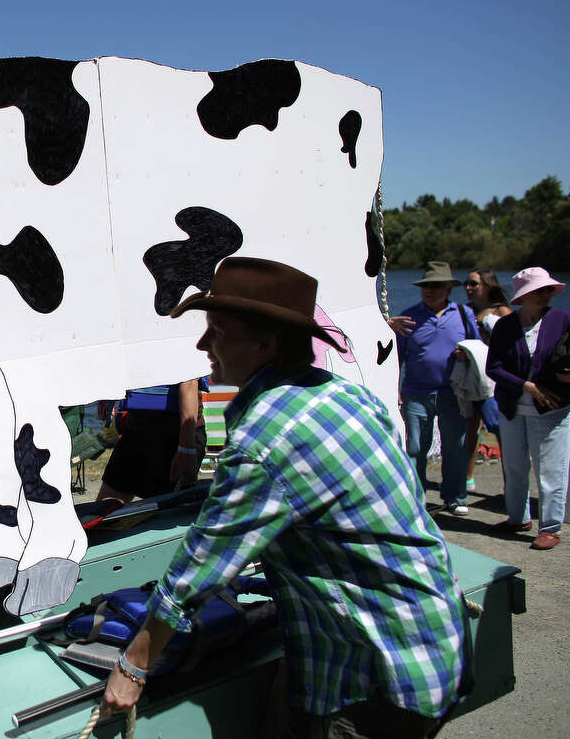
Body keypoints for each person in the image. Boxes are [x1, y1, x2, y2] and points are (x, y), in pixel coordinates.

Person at [100, 257, 467, 737]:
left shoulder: (265, 435)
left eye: (217, 330)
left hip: (375, 669)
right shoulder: (346, 395)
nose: (203, 344)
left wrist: (133, 665)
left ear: (266, 342)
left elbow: (201, 563)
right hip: (430, 636)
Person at [485, 267, 570, 551]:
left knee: (550, 471)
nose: (546, 295)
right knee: (514, 467)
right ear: (525, 296)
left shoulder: (562, 319)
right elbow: (493, 368)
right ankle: (518, 518)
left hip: (551, 409)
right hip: (512, 407)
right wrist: (526, 386)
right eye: (539, 291)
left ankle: (551, 528)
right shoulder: (505, 326)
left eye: (548, 290)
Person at [389, 261, 478, 514]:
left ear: (449, 289)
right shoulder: (408, 317)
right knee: (415, 449)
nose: (430, 291)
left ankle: (456, 498)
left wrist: (467, 354)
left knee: (456, 447)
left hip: (454, 393)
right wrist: (396, 389)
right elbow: (397, 358)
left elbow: (478, 349)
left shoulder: (463, 314)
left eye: (436, 286)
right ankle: (416, 500)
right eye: (426, 286)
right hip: (416, 393)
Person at [95, 380, 206, 504]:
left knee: (166, 513)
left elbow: (190, 381)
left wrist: (186, 449)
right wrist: (109, 395)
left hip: (173, 433)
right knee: (105, 512)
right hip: (136, 426)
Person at [462, 268, 512, 489]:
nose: (468, 288)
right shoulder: (465, 311)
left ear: (487, 286)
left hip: (493, 382)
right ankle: (467, 478)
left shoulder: (502, 311)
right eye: (467, 284)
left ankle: (510, 481)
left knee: (500, 430)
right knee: (469, 430)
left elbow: (515, 344)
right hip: (469, 379)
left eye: (474, 284)